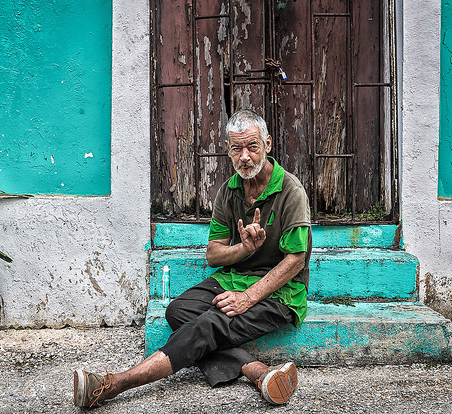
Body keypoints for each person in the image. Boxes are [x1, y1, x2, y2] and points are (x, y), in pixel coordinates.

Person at [74, 109, 311, 408]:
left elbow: (296, 260)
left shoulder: (290, 190)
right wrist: (244, 249)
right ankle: (258, 371)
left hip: (280, 294)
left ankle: (114, 384)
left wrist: (248, 298)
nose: (245, 157)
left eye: (252, 146)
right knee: (178, 311)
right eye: (237, 149)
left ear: (268, 144)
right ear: (227, 150)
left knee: (208, 324)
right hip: (233, 278)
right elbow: (214, 255)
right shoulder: (229, 191)